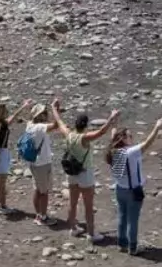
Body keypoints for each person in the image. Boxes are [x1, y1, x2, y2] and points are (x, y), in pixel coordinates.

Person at [48, 99, 119, 241]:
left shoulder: (68, 134)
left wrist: (54, 108)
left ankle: (73, 228)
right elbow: (102, 131)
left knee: (73, 203)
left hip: (71, 173)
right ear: (86, 125)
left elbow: (59, 121)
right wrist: (112, 117)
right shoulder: (84, 138)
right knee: (88, 205)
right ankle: (91, 234)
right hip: (85, 174)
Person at [107, 117, 162, 254]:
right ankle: (132, 247)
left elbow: (113, 136)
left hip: (119, 189)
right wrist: (157, 127)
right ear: (123, 138)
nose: (132, 138)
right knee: (133, 220)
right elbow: (147, 143)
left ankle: (122, 244)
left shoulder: (113, 151)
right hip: (133, 191)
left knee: (122, 216)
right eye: (130, 136)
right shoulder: (130, 152)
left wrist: (114, 124)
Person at [0, 99, 34, 214]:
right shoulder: (4, 124)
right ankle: (3, 207)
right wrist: (23, 106)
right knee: (1, 184)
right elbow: (15, 116)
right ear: (1, 113)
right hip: (2, 154)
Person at [19, 105, 57, 224]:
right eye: (45, 113)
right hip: (42, 163)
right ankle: (43, 217)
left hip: (34, 163)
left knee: (37, 189)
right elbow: (56, 125)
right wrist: (56, 109)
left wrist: (26, 107)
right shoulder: (40, 127)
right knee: (44, 192)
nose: (46, 114)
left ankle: (38, 214)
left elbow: (29, 118)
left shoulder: (30, 125)